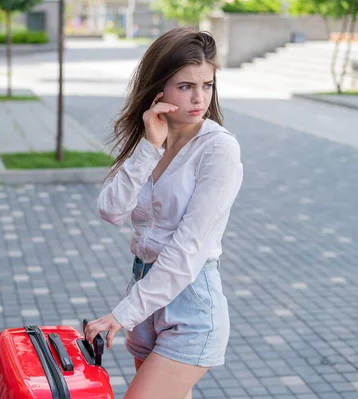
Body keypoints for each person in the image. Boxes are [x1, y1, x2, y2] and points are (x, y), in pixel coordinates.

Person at [84, 27, 244, 399]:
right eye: (185, 86)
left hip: (190, 307)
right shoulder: (151, 139)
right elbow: (111, 211)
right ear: (158, 88)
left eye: (207, 85)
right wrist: (149, 147)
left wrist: (121, 314)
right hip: (146, 295)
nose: (199, 98)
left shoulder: (219, 150)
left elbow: (188, 250)